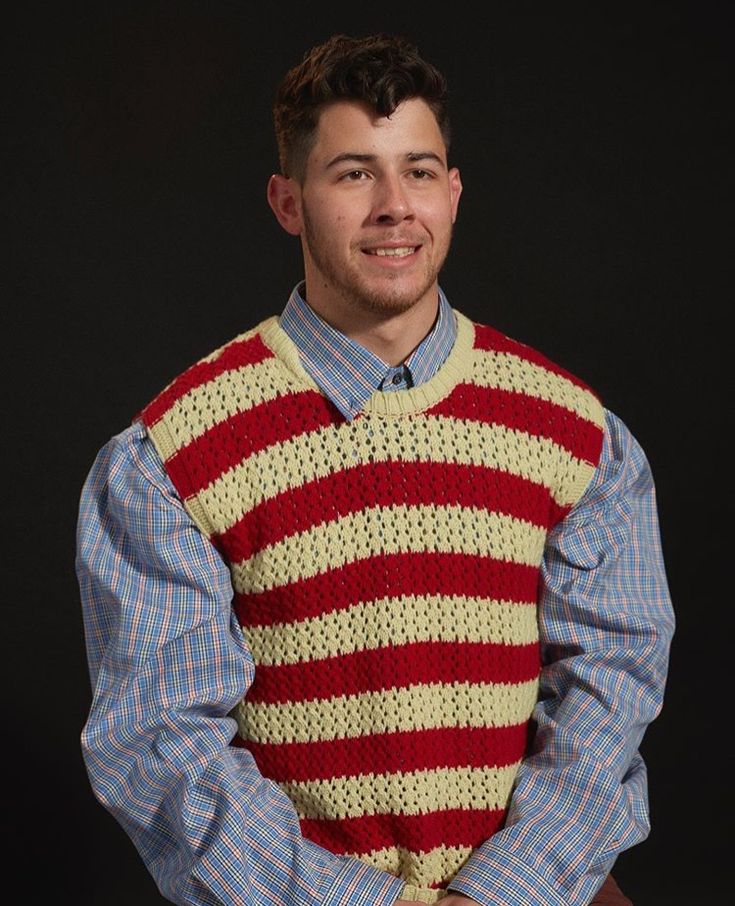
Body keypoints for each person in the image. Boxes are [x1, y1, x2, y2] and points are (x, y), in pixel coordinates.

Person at [76, 32, 674, 906]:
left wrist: (499, 891)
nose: (396, 206)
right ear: (287, 202)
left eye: (420, 171)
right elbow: (161, 745)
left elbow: (611, 687)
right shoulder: (172, 456)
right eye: (354, 173)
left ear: (454, 192)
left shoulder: (575, 434)